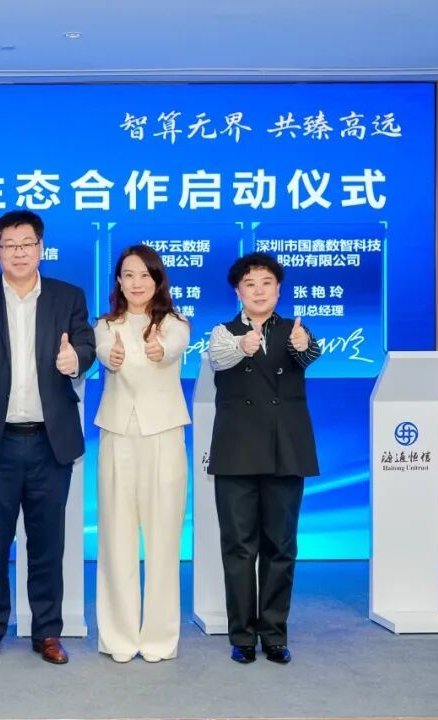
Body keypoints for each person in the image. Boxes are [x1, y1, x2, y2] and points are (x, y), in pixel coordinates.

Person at [0, 209, 95, 666]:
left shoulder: (67, 296)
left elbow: (86, 345)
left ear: (41, 249)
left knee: (47, 542)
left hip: (50, 441)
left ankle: (47, 631)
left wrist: (77, 361)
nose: (19, 252)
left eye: (27, 244)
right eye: (10, 245)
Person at [207, 252, 322, 665]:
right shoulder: (223, 333)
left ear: (278, 289)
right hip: (236, 451)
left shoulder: (295, 330)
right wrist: (244, 345)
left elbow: (310, 354)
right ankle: (242, 636)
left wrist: (303, 345)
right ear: (238, 292)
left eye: (266, 283)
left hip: (285, 450)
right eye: (250, 284)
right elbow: (218, 359)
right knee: (239, 547)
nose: (259, 291)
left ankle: (274, 634)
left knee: (281, 546)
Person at [93, 245, 191, 664]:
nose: (136, 283)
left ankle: (159, 638)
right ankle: (118, 636)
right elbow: (104, 351)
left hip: (163, 436)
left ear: (157, 281)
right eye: (128, 275)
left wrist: (159, 351)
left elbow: (172, 348)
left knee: (164, 539)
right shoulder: (105, 325)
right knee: (116, 538)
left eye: (144, 276)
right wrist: (110, 356)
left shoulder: (175, 324)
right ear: (118, 281)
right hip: (118, 435)